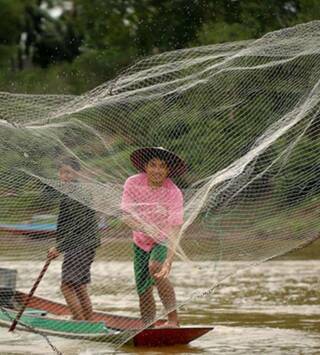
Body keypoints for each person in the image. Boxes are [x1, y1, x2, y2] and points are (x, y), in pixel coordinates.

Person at [121, 147, 187, 328]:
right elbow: (126, 215)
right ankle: (148, 326)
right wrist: (145, 229)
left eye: (162, 167)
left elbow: (175, 229)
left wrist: (170, 260)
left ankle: (173, 320)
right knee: (143, 289)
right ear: (145, 167)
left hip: (163, 240)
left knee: (157, 267)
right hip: (140, 241)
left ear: (168, 170)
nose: (157, 170)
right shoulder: (133, 183)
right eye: (153, 165)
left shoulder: (174, 192)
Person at [47, 157, 100, 321]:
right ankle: (89, 321)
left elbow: (77, 225)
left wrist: (58, 248)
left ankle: (79, 321)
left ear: (77, 174)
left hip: (79, 244)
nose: (65, 176)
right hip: (85, 245)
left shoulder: (76, 194)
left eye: (69, 173)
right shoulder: (72, 192)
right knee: (79, 285)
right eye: (63, 173)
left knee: (66, 286)